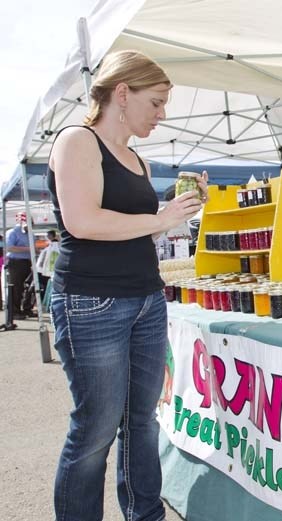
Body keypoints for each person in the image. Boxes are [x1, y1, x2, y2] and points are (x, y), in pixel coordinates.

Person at [47, 50, 207, 521]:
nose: (162, 114)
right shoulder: (77, 141)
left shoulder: (136, 159)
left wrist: (176, 213)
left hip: (144, 298)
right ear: (122, 93)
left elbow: (139, 228)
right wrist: (158, 217)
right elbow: (83, 221)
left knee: (141, 421)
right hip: (91, 301)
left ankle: (145, 514)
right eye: (156, 103)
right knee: (95, 428)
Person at [5, 211, 35, 318]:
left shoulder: (30, 234)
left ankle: (26, 309)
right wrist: (29, 249)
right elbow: (10, 247)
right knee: (16, 287)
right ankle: (14, 312)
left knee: (28, 287)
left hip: (27, 262)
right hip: (15, 263)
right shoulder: (12, 232)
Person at [35, 229, 60, 302]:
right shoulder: (57, 246)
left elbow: (42, 260)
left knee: (46, 286)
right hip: (53, 270)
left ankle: (46, 301)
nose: (47, 237)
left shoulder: (50, 247)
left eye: (48, 235)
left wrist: (39, 268)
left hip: (47, 271)